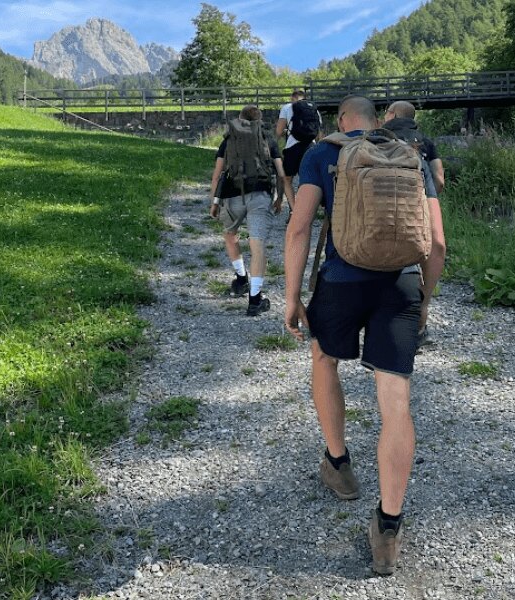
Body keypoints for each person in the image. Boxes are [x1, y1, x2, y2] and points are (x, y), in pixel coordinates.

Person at [284, 95, 439, 575]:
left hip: (342, 282)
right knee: (396, 401)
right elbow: (436, 242)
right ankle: (388, 527)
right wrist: (425, 302)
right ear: (378, 121)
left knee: (324, 359)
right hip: (401, 285)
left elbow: (300, 227)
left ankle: (339, 464)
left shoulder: (321, 153)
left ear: (341, 121)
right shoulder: (409, 154)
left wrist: (291, 298)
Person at [210, 105, 294, 316]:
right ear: (259, 121)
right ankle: (255, 300)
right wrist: (281, 199)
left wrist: (214, 201)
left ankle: (240, 279)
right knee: (257, 244)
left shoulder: (229, 139)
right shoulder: (267, 139)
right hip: (260, 195)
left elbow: (217, 173)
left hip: (232, 196)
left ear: (239, 119)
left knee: (230, 235)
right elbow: (281, 174)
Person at [383, 100, 447, 345]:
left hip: (382, 209)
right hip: (418, 205)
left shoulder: (377, 138)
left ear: (394, 115)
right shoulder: (425, 142)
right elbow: (439, 180)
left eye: (386, 112)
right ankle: (420, 312)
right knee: (428, 249)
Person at [275, 90, 322, 215]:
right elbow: (319, 134)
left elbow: (279, 131)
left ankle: (294, 210)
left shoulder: (287, 107)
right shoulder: (314, 109)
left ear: (292, 98)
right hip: (311, 146)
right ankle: (305, 209)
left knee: (286, 179)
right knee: (306, 180)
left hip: (293, 147)